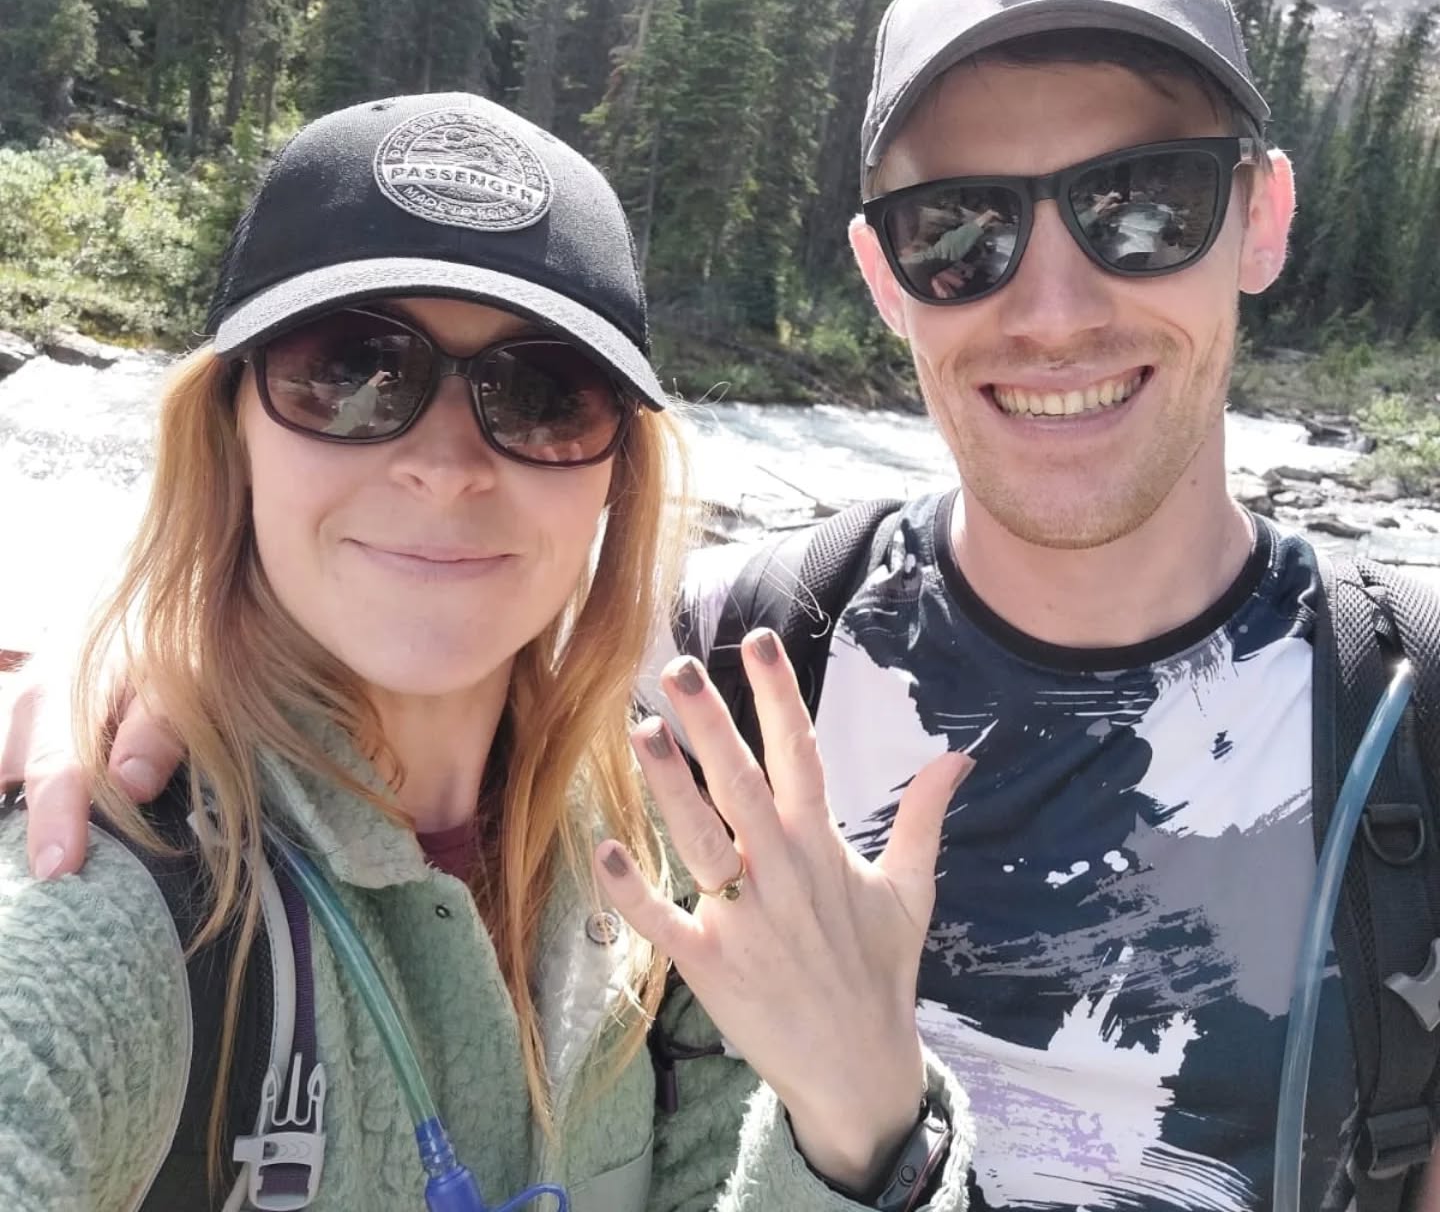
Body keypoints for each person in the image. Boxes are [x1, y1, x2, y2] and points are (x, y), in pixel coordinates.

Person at [8, 0, 1440, 1211]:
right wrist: (121, 665)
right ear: (885, 277)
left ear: (1259, 216)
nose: (1053, 307)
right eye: (960, 233)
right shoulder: (737, 673)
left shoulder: (1415, 712)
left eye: (1144, 205)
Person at [0, 91, 975, 1212]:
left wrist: (865, 1128)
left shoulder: (665, 864)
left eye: (542, 393)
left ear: (617, 469)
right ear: (232, 428)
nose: (448, 463)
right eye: (350, 370)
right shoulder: (110, 891)